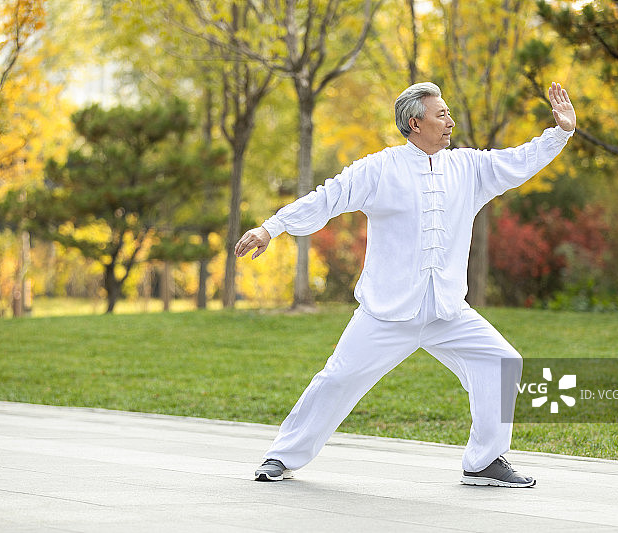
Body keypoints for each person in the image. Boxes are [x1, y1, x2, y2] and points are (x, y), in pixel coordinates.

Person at [235, 81, 576, 487]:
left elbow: (519, 160)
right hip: (386, 312)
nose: (450, 122)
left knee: (502, 362)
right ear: (415, 123)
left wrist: (560, 133)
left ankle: (485, 461)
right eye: (441, 115)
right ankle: (281, 457)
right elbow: (328, 197)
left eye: (448, 113)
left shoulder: (469, 167)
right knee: (338, 378)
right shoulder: (380, 168)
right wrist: (271, 228)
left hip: (448, 311)